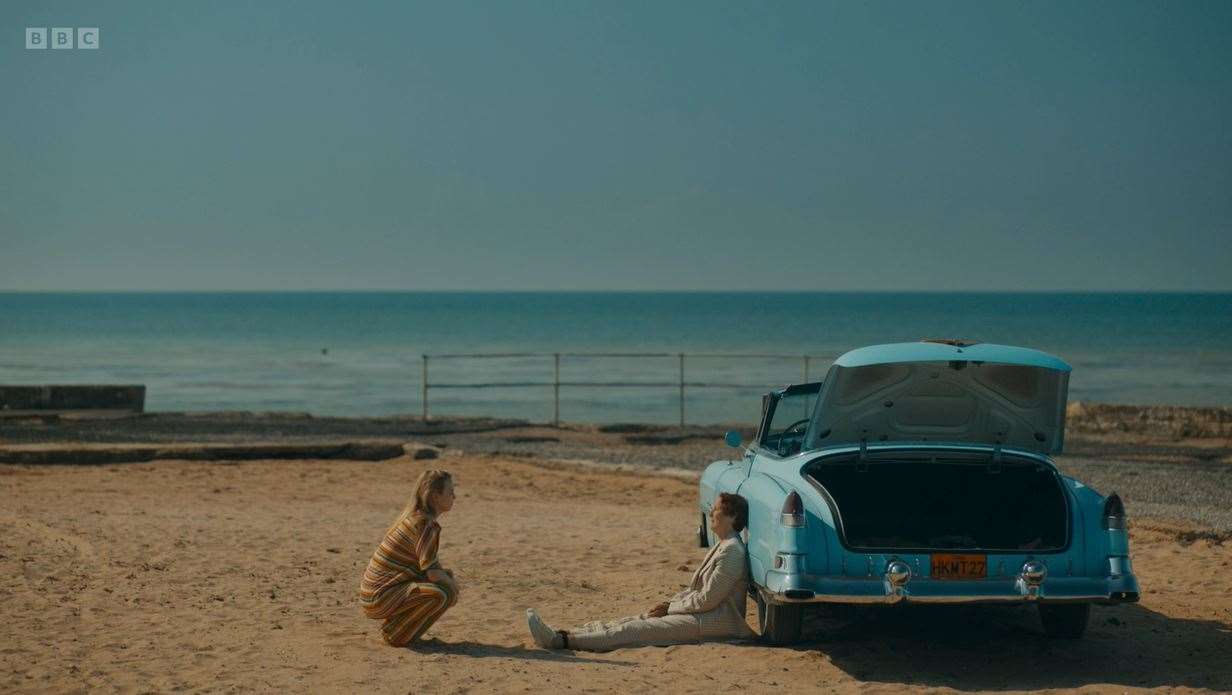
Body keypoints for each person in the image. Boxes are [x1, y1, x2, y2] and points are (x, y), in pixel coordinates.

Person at [526, 492, 755, 651]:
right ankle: (563, 633)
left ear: (732, 517)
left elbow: (708, 599)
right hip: (698, 615)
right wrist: (669, 604)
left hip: (714, 624)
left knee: (636, 630)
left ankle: (561, 642)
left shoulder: (732, 551)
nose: (710, 512)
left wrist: (671, 608)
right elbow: (698, 592)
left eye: (716, 509)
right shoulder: (722, 544)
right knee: (635, 619)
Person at [359, 469, 460, 647]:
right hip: (378, 596)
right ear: (436, 497)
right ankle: (394, 634)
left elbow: (431, 568)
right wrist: (454, 588)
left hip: (377, 593)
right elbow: (434, 574)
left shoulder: (418, 518)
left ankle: (405, 632)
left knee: (447, 584)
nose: (455, 496)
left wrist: (449, 581)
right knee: (443, 593)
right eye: (450, 492)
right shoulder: (425, 524)